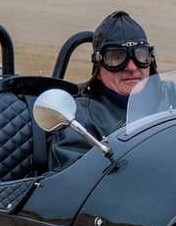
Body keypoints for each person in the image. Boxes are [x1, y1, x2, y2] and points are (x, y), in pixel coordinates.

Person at [48, 10, 158, 170]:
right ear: (98, 68)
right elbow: (73, 181)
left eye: (140, 55)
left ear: (150, 59)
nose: (132, 67)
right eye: (117, 58)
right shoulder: (78, 118)